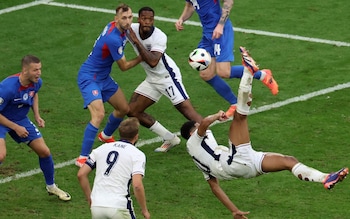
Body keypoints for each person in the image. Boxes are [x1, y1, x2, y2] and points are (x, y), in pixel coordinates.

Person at [180, 47, 348, 219]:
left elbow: (215, 188)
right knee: (239, 117)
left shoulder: (199, 160)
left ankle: (326, 178)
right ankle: (248, 71)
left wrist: (233, 210)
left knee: (288, 161)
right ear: (192, 130)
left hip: (243, 166)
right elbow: (204, 124)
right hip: (233, 162)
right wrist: (216, 116)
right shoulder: (194, 141)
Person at [175, 0, 279, 117]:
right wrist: (181, 19)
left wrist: (220, 25)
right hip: (208, 34)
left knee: (224, 72)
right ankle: (235, 103)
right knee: (206, 74)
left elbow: (228, 1)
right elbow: (190, 6)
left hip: (221, 31)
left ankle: (263, 75)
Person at [126, 6, 203, 152]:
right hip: (152, 78)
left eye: (150, 19)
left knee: (187, 111)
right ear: (139, 19)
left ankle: (211, 142)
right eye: (144, 19)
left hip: (168, 77)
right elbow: (116, 27)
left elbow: (153, 61)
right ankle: (169, 138)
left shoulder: (159, 36)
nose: (147, 22)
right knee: (132, 111)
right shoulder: (131, 29)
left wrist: (136, 41)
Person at [76, 3, 142, 167]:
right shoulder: (113, 38)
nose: (128, 21)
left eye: (130, 17)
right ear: (116, 19)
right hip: (89, 77)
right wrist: (143, 56)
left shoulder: (116, 27)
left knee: (123, 109)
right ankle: (83, 157)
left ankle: (105, 136)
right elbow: (124, 66)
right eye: (124, 18)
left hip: (103, 77)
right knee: (98, 114)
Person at [0, 55, 71, 201]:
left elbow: (34, 95)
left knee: (44, 151)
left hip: (21, 119)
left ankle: (51, 186)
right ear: (25, 70)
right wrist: (15, 127)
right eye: (35, 70)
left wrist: (37, 115)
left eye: (40, 69)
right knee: (1, 155)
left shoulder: (36, 82)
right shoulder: (7, 88)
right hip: (2, 120)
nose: (39, 73)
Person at [77, 117, 150, 219]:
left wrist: (90, 198)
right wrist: (144, 210)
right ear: (136, 136)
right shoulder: (137, 154)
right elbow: (137, 185)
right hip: (119, 206)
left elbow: (81, 174)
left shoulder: (101, 149)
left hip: (97, 205)